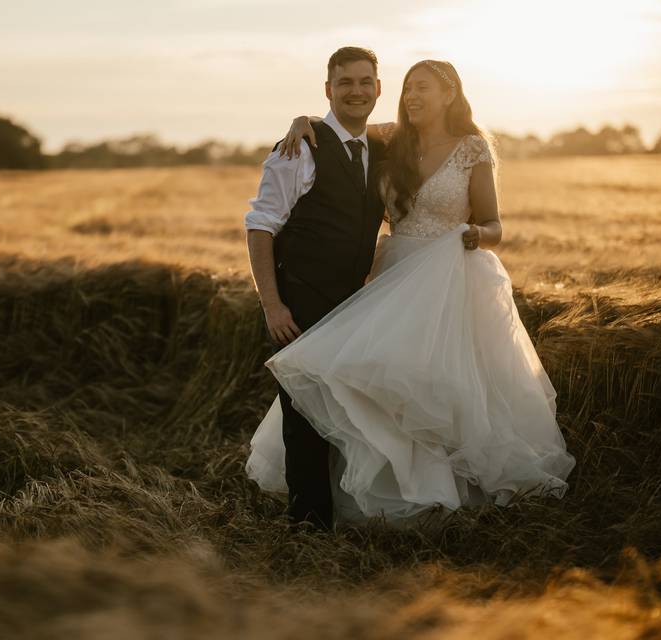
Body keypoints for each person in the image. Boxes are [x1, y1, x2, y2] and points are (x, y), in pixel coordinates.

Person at [245, 60, 575, 528]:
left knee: (438, 387)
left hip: (448, 278)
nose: (413, 96)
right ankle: (344, 499)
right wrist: (303, 121)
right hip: (393, 274)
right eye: (408, 89)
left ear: (450, 93)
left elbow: (497, 224)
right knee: (377, 384)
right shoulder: (393, 141)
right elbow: (339, 122)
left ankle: (443, 492)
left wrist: (476, 234)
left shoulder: (471, 148)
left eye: (423, 88)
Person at [244, 46, 387, 532]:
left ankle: (349, 513)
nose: (356, 91)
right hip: (299, 303)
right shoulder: (299, 148)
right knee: (304, 416)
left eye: (365, 81)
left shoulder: (380, 148)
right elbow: (261, 226)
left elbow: (424, 128)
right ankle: (307, 527)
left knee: (347, 412)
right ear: (328, 90)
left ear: (378, 89)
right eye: (344, 83)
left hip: (355, 304)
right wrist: (272, 305)